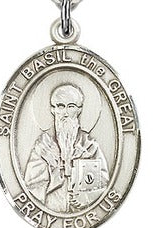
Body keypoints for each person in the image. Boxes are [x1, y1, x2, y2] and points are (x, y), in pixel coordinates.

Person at [24, 84, 109, 212]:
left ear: (79, 110)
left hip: (82, 212)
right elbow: (32, 186)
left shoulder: (89, 146)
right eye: (60, 106)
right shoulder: (43, 146)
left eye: (71, 106)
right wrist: (56, 175)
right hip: (52, 209)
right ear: (53, 110)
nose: (65, 113)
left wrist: (86, 197)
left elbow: (103, 185)